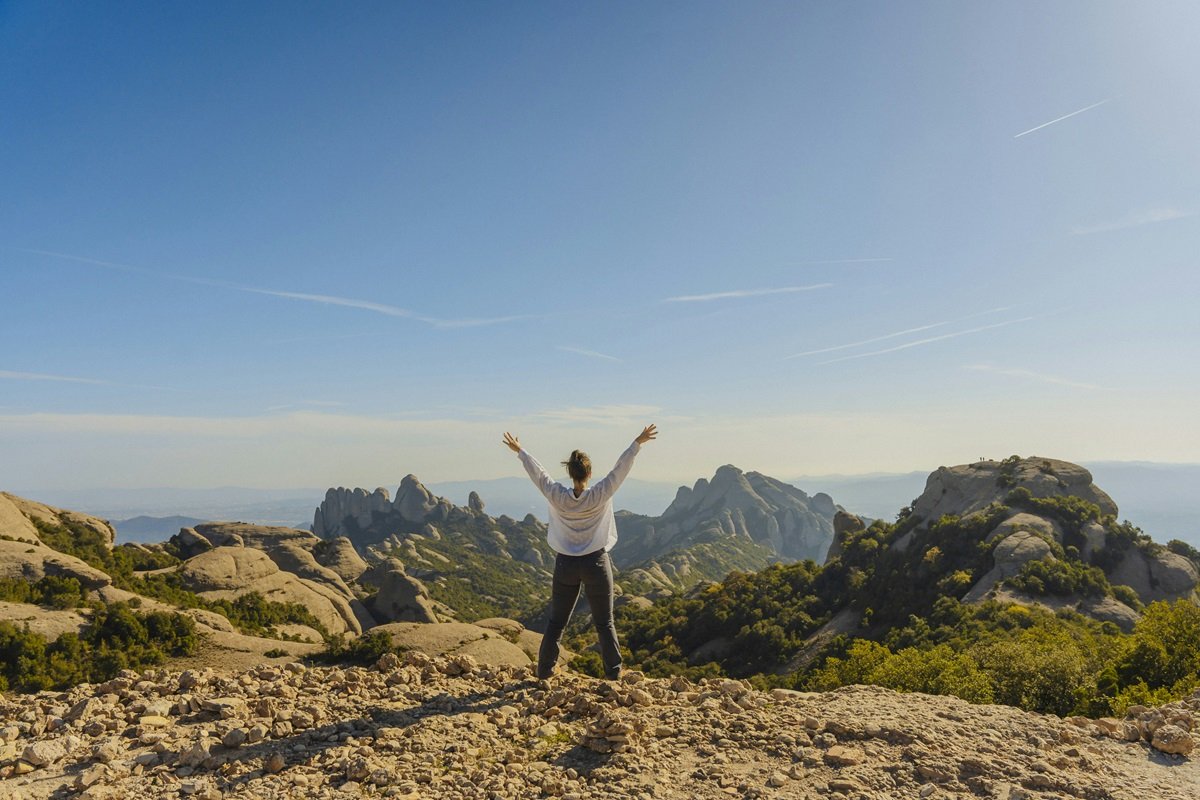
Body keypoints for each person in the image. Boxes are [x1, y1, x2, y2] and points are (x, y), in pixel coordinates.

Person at [502, 424, 657, 680]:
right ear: (590, 472)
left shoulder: (557, 496)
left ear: (570, 473)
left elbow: (539, 475)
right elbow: (620, 469)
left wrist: (521, 451)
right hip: (595, 562)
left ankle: (543, 673)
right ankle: (614, 676)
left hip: (566, 565)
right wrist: (637, 443)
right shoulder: (600, 494)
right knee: (604, 623)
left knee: (556, 622)